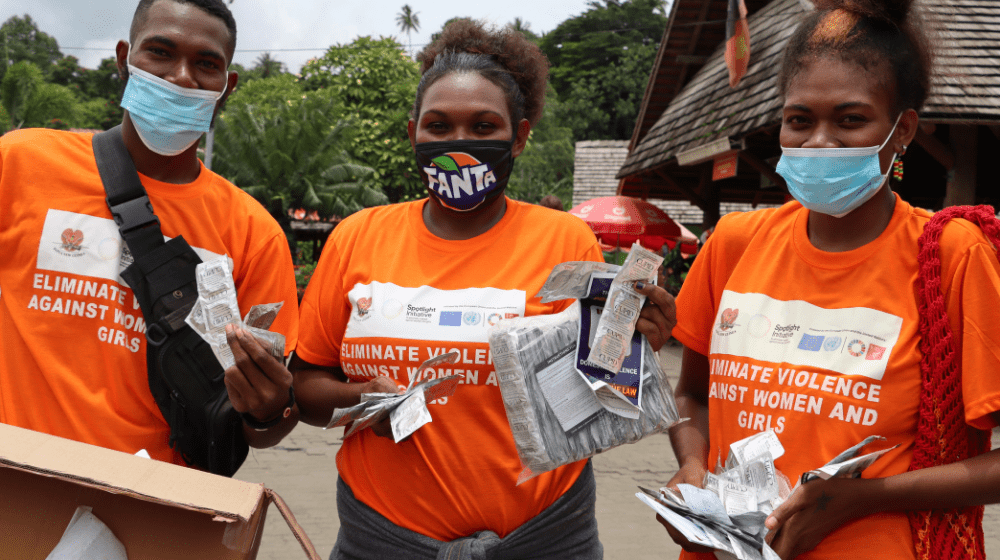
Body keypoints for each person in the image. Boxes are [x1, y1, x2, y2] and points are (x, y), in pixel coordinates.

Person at [290, 19, 676, 559]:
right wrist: (360, 400)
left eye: (483, 127)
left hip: (544, 541)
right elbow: (305, 383)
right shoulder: (357, 237)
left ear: (519, 135)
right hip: (380, 540)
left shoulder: (564, 239)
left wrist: (634, 353)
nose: (459, 144)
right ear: (413, 134)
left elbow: (600, 401)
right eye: (439, 127)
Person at [662, 0, 1000, 558]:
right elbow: (690, 395)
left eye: (849, 120)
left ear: (903, 131)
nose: (819, 142)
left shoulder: (950, 255)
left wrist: (863, 499)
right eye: (799, 120)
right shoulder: (734, 244)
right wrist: (691, 469)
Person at [0, 0, 300, 466]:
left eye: (206, 63)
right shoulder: (19, 164)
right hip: (20, 487)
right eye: (160, 52)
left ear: (227, 86)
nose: (181, 76)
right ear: (125, 60)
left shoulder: (254, 233)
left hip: (156, 508)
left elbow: (263, 426)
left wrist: (267, 410)